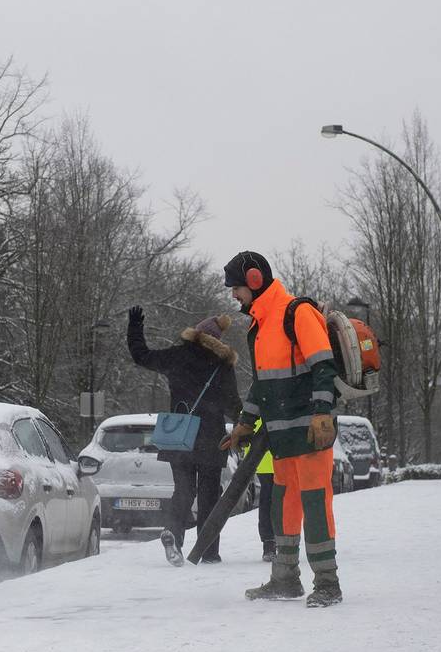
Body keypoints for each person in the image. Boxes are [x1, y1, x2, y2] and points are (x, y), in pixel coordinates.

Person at [219, 251, 343, 608]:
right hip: (282, 436)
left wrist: (322, 412)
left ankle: (328, 584)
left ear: (255, 280)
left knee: (315, 504)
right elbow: (263, 384)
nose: (233, 296)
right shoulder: (260, 327)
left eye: (236, 288)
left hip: (310, 432)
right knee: (282, 505)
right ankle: (285, 579)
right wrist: (245, 423)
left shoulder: (297, 313)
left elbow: (323, 366)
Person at [127, 305, 240, 566]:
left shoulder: (177, 356)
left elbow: (141, 356)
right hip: (212, 438)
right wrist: (247, 425)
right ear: (217, 340)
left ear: (196, 334)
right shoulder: (222, 365)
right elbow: (233, 404)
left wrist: (135, 326)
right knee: (210, 495)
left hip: (180, 434)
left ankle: (174, 534)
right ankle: (208, 551)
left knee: (184, 490)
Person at [245, 418, 276, 562]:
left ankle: (269, 543)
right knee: (278, 500)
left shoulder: (255, 400)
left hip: (261, 456)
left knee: (267, 500)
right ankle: (279, 541)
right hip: (274, 456)